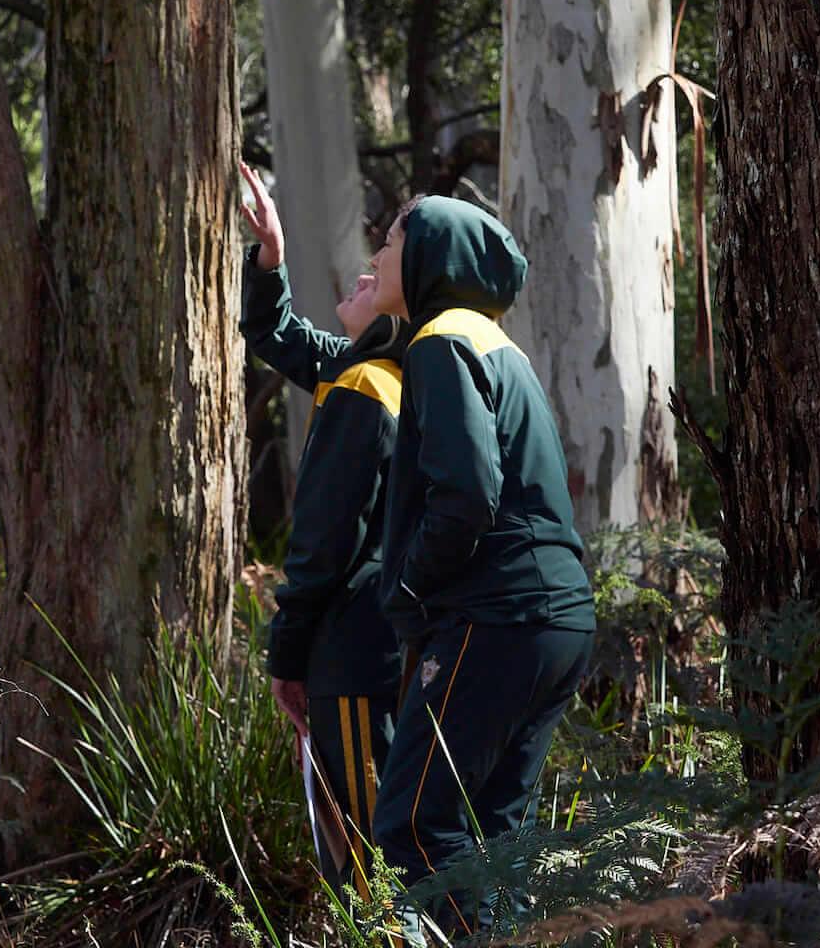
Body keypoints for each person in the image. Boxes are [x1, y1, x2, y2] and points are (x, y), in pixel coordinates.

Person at [364, 194, 595, 939]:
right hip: (558, 619)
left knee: (413, 823)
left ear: (432, 253)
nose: (377, 256)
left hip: (497, 616)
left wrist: (405, 584)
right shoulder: (497, 343)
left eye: (392, 240)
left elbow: (467, 491)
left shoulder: (440, 342)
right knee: (496, 835)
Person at [237, 163, 407, 897]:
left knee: (368, 860)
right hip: (374, 646)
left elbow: (323, 542)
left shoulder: (373, 385)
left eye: (381, 269)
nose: (365, 269)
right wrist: (270, 257)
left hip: (354, 652)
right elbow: (272, 331)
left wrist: (287, 651)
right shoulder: (363, 368)